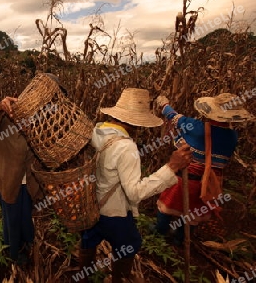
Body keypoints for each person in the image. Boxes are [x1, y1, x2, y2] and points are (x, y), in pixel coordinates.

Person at [78, 88, 192, 283]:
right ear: (135, 122)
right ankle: (119, 278)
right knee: (130, 243)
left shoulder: (97, 130)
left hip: (90, 205)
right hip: (113, 213)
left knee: (89, 238)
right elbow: (134, 193)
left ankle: (83, 276)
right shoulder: (126, 147)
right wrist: (171, 167)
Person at [0, 74, 67, 265]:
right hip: (9, 179)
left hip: (29, 181)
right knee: (11, 220)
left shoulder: (43, 118)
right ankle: (13, 254)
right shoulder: (8, 113)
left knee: (25, 216)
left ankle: (27, 243)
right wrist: (0, 105)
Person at [153, 93, 254, 245]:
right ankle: (180, 239)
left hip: (185, 178)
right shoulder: (232, 136)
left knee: (168, 205)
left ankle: (158, 233)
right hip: (208, 184)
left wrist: (163, 104)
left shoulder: (195, 127)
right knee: (193, 213)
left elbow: (173, 117)